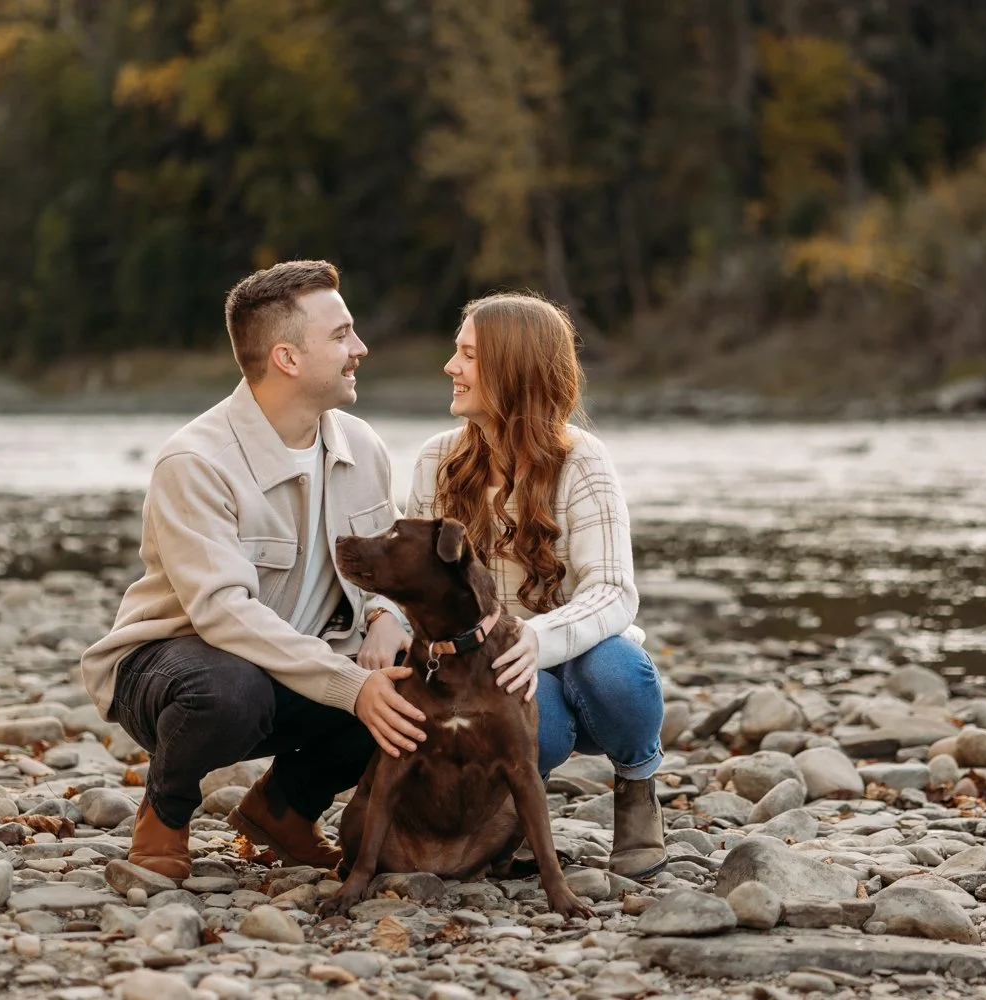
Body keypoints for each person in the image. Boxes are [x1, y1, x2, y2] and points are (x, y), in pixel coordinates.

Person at [79, 260, 422, 879]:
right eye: (342, 335)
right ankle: (166, 810)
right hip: (175, 665)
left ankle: (284, 810)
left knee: (413, 684)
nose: (361, 349)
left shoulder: (362, 447)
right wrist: (350, 685)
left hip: (298, 666)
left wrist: (386, 618)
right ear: (287, 358)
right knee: (229, 689)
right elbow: (223, 615)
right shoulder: (195, 460)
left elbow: (388, 567)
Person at [406, 292, 668, 881]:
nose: (451, 367)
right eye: (456, 351)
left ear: (512, 370)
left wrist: (535, 638)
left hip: (578, 649)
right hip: (495, 665)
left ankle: (636, 785)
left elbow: (613, 592)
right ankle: (523, 806)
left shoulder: (583, 461)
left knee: (619, 670)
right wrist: (382, 625)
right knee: (534, 723)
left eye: (468, 355)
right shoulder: (437, 461)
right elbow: (419, 585)